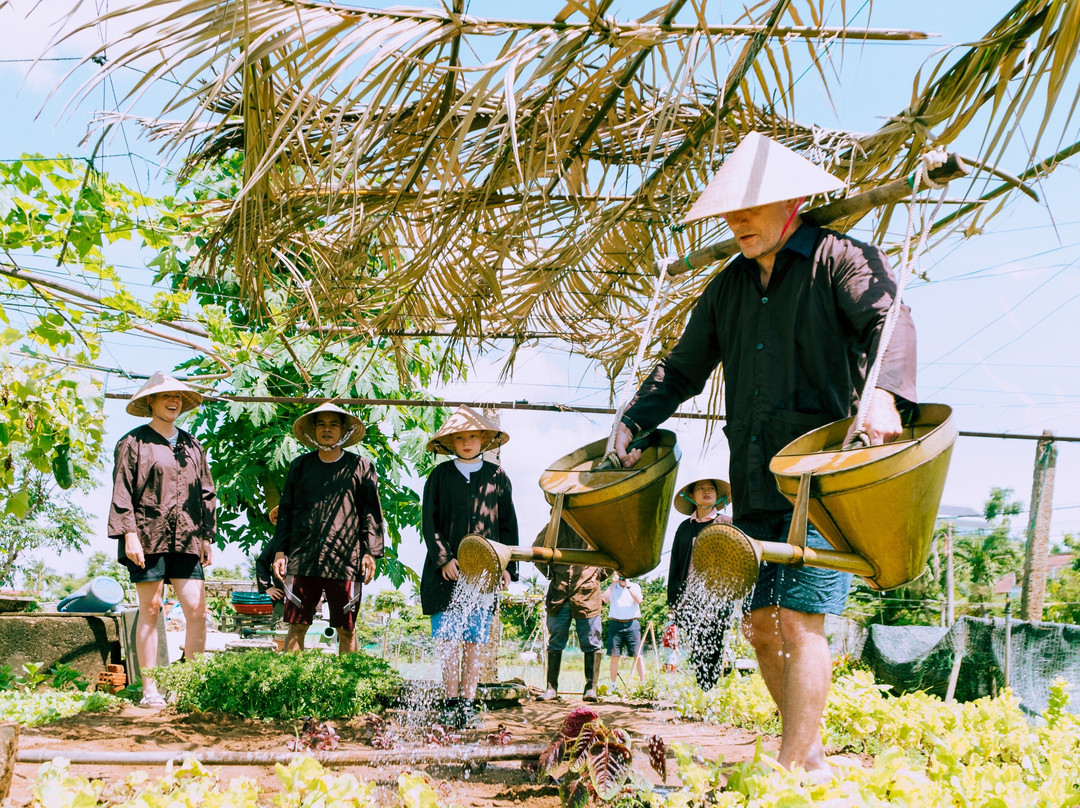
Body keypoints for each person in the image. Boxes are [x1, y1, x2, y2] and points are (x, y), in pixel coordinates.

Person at [614, 132, 917, 777]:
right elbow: (681, 368)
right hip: (751, 480)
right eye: (731, 211)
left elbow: (887, 321)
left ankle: (787, 773)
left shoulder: (841, 260)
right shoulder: (726, 289)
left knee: (802, 619)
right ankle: (807, 756)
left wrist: (884, 396)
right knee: (758, 624)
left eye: (752, 209)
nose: (737, 221)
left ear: (795, 201)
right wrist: (633, 420)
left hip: (819, 478)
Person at [108, 372, 216, 708]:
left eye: (179, 398)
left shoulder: (193, 446)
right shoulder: (133, 443)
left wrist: (206, 536)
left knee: (197, 611)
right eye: (166, 396)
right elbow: (122, 491)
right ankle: (150, 690)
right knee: (151, 610)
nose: (174, 402)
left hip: (187, 537)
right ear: (150, 402)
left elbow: (207, 493)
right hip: (147, 534)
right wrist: (129, 534)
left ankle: (188, 687)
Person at [421, 405, 519, 729]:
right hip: (446, 574)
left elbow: (508, 526)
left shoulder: (497, 477)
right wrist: (444, 559)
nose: (466, 442)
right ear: (450, 442)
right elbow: (429, 522)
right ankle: (450, 703)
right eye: (459, 437)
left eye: (472, 436)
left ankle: (468, 703)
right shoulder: (439, 476)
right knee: (449, 640)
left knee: (474, 641)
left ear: (483, 439)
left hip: (484, 576)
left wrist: (507, 568)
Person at [271, 403, 382, 656]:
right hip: (303, 557)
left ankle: (347, 688)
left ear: (343, 430)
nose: (327, 430)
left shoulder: (361, 467)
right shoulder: (300, 466)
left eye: (333, 424)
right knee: (297, 625)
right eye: (321, 424)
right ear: (314, 430)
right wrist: (280, 552)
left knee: (346, 628)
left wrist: (370, 552)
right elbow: (286, 510)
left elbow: (371, 513)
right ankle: (293, 685)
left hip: (345, 559)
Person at [667, 477, 734, 691]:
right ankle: (703, 688)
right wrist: (673, 601)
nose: (707, 492)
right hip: (689, 597)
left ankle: (710, 689)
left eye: (711, 489)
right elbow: (675, 565)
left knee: (714, 644)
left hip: (717, 597)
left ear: (717, 495)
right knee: (697, 645)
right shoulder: (684, 529)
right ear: (692, 496)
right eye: (701, 488)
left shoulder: (726, 523)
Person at [533, 519, 607, 702]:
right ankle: (551, 688)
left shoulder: (595, 526)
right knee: (555, 640)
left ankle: (591, 688)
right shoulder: (554, 527)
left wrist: (600, 574)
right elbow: (536, 550)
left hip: (587, 593)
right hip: (560, 592)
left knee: (592, 640)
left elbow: (613, 554)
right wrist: (551, 574)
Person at [602, 572, 646, 688]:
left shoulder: (634, 586)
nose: (622, 579)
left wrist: (628, 585)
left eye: (624, 576)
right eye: (620, 576)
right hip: (615, 624)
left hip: (632, 623)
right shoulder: (613, 588)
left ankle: (643, 683)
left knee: (638, 655)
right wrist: (613, 583)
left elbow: (639, 600)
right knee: (614, 656)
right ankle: (613, 685)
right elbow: (604, 600)